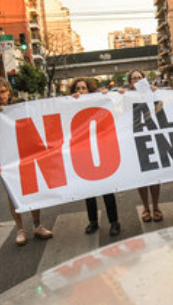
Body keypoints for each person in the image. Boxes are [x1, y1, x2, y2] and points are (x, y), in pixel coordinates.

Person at [0, 79, 53, 246]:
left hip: (25, 155)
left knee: (32, 191)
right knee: (13, 195)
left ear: (9, 91)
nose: (1, 95)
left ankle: (37, 225)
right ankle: (21, 230)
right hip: (7, 159)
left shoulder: (20, 105)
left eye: (3, 91)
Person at [69, 78, 121, 236]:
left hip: (101, 150)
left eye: (83, 88)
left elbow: (116, 109)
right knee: (88, 191)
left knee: (107, 189)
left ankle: (114, 222)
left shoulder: (98, 103)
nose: (80, 90)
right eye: (77, 88)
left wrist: (106, 96)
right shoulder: (69, 105)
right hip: (83, 152)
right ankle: (93, 221)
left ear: (89, 90)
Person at [120, 70, 164, 223]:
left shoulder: (153, 94)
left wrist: (159, 95)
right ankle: (146, 207)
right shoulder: (126, 96)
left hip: (152, 136)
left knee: (154, 176)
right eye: (134, 79)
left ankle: (156, 206)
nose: (137, 81)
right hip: (136, 139)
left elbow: (161, 110)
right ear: (130, 82)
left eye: (140, 78)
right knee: (142, 177)